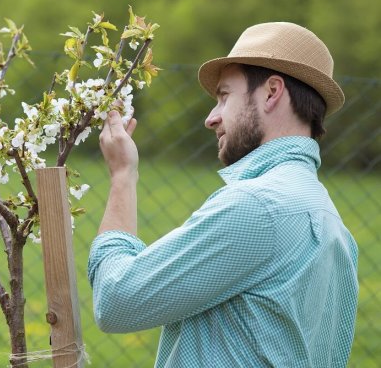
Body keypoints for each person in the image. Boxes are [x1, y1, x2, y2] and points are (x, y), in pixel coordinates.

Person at [88, 22, 359, 367]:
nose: (211, 118)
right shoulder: (335, 227)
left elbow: (116, 302)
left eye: (225, 95)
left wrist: (123, 177)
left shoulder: (258, 207)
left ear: (272, 91)